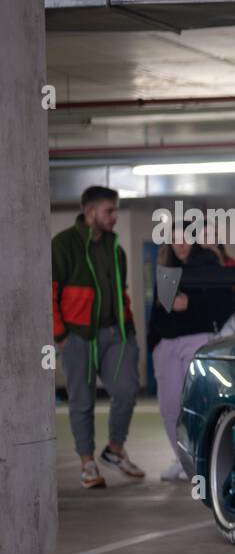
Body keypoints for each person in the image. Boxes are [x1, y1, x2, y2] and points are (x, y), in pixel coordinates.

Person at [51, 186, 144, 488]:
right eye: (109, 211)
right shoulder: (63, 245)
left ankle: (115, 450)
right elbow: (49, 293)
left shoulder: (116, 248)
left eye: (116, 210)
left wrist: (128, 327)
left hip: (115, 333)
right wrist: (60, 335)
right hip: (78, 336)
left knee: (128, 389)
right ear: (90, 212)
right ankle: (87, 463)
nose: (115, 216)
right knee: (82, 401)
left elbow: (121, 291)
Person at [148, 235, 235, 481]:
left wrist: (191, 305)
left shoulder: (209, 266)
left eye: (185, 238)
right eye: (174, 239)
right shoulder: (166, 270)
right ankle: (183, 460)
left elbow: (224, 306)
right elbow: (158, 314)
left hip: (198, 339)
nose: (180, 245)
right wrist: (156, 344)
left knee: (198, 403)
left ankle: (202, 461)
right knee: (169, 407)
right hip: (167, 345)